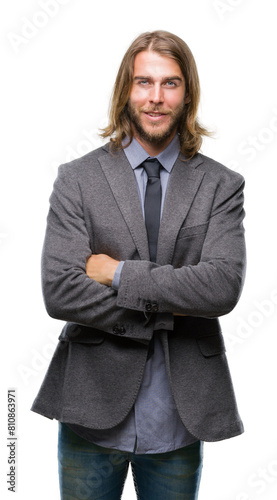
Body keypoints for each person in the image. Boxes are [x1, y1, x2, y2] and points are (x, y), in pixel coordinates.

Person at [31, 30, 246, 500]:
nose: (155, 97)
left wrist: (117, 273)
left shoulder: (220, 185)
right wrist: (172, 308)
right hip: (91, 411)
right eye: (143, 82)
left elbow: (222, 287)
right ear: (125, 91)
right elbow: (60, 291)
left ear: (187, 93)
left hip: (177, 415)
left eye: (170, 84)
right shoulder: (78, 180)